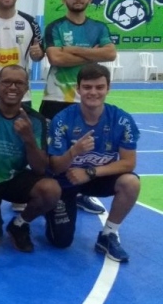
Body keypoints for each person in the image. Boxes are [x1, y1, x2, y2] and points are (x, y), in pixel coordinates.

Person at [46, 63, 140, 263]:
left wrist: (90, 171)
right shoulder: (62, 120)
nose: (93, 92)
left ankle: (108, 234)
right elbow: (55, 167)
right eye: (87, 87)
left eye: (99, 87)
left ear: (108, 88)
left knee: (131, 182)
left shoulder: (122, 120)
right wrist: (74, 152)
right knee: (60, 242)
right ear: (78, 89)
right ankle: (53, 208)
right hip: (65, 181)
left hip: (95, 176)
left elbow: (128, 163)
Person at [41, 0, 118, 215]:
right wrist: (92, 54)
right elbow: (56, 59)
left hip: (87, 101)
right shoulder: (55, 27)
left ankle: (82, 193)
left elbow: (110, 54)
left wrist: (72, 49)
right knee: (52, 151)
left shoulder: (99, 28)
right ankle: (51, 193)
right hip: (56, 99)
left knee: (86, 151)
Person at [0, 66, 60, 253]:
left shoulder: (35, 120)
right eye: (6, 82)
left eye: (19, 83)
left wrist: (28, 139)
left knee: (50, 190)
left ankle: (19, 224)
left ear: (26, 88)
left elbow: (40, 169)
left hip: (14, 178)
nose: (12, 87)